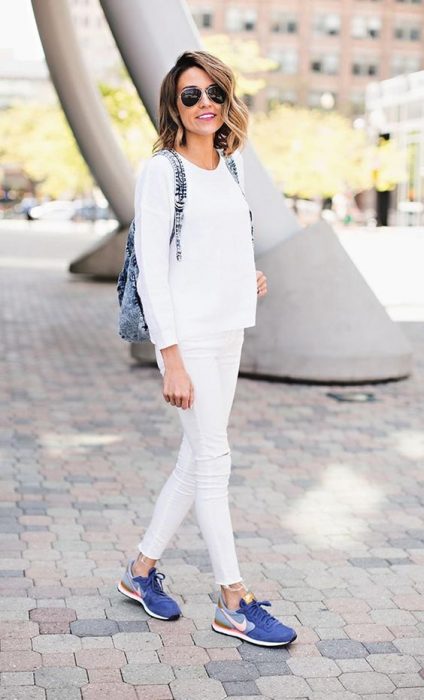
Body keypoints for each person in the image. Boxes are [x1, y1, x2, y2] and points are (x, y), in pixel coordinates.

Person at [118, 50, 297, 647]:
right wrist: (170, 356)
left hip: (228, 331)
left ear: (227, 101)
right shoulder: (161, 172)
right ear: (174, 103)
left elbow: (221, 242)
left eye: (213, 93)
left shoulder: (232, 165)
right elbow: (151, 268)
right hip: (188, 338)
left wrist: (246, 277)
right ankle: (234, 600)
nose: (203, 104)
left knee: (197, 459)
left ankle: (141, 571)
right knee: (215, 460)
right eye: (190, 95)